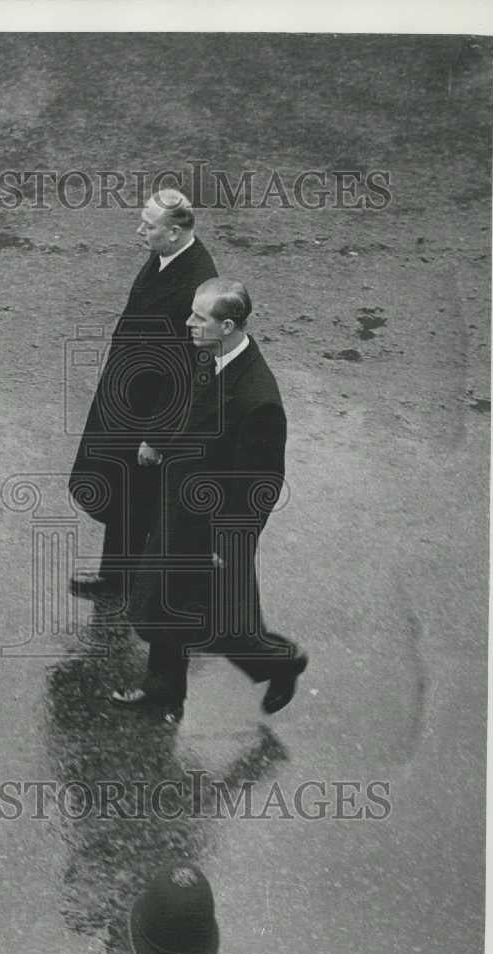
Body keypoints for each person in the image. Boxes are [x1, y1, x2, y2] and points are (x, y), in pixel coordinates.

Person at [110, 278, 308, 722]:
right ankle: (164, 688)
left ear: (228, 325)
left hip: (211, 528)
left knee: (214, 622)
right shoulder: (215, 354)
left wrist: (225, 545)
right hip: (181, 506)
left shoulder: (258, 401)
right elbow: (190, 403)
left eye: (199, 317)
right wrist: (158, 440)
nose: (189, 323)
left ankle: (280, 662)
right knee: (165, 602)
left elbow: (260, 486)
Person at [68, 189, 217, 598]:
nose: (139, 231)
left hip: (148, 414)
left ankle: (152, 587)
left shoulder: (195, 284)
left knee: (139, 498)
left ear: (174, 231)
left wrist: (157, 436)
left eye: (148, 226)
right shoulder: (169, 257)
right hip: (129, 400)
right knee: (125, 493)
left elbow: (189, 371)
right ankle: (117, 579)